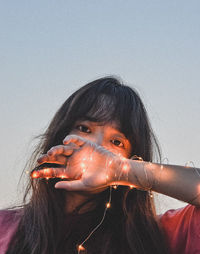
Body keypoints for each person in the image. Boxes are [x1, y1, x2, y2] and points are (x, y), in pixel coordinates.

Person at [0, 76, 200, 254]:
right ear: (60, 133)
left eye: (116, 142)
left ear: (132, 157)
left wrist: (119, 170)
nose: (95, 147)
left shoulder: (158, 235)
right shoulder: (5, 227)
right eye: (84, 128)